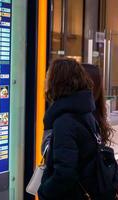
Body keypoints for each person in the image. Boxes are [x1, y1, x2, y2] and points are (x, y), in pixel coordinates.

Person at [38, 58, 113, 200]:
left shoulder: (64, 122)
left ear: (58, 82)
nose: (45, 81)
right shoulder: (86, 113)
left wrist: (44, 191)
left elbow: (65, 173)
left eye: (48, 76)